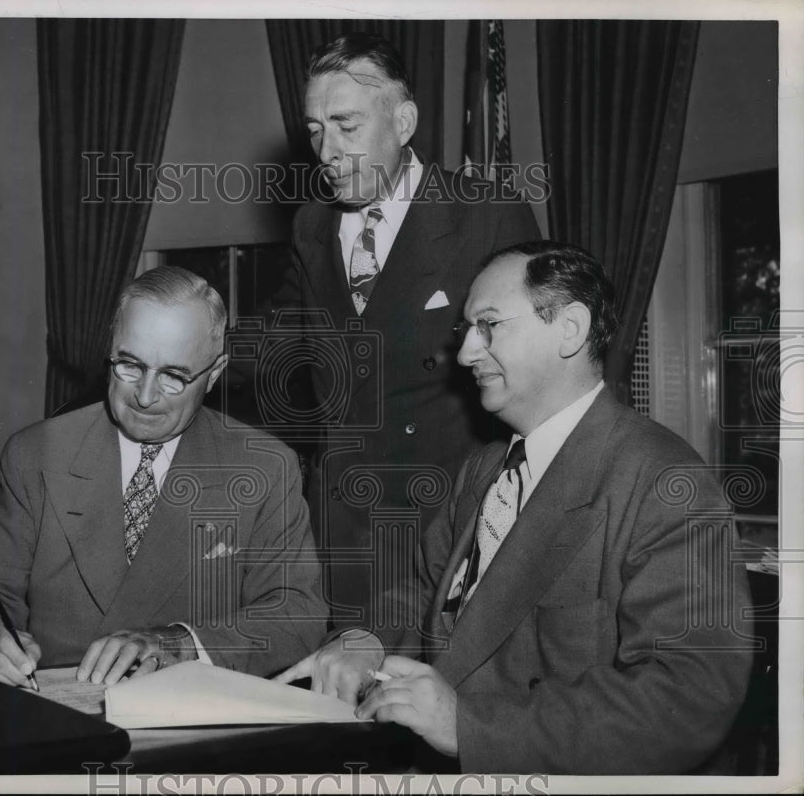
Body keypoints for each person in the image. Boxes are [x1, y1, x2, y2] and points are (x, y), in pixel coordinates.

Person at [279, 241, 753, 773]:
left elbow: (691, 696)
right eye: (465, 331)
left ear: (569, 329)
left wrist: (469, 727)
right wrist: (362, 640)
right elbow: (424, 592)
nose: (463, 354)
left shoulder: (665, 480)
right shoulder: (483, 469)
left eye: (489, 325)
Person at [252, 32, 540, 632]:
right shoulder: (312, 226)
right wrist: (188, 342)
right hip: (341, 537)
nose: (325, 150)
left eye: (345, 124)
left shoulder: (481, 215)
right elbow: (277, 338)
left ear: (403, 121)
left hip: (446, 537)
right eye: (314, 129)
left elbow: (537, 385)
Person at [0, 266, 326, 689]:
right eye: (130, 365)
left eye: (174, 376)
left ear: (214, 374)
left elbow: (295, 614)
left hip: (196, 723)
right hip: (58, 719)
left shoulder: (264, 467)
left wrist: (179, 644)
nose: (144, 396)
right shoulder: (36, 454)